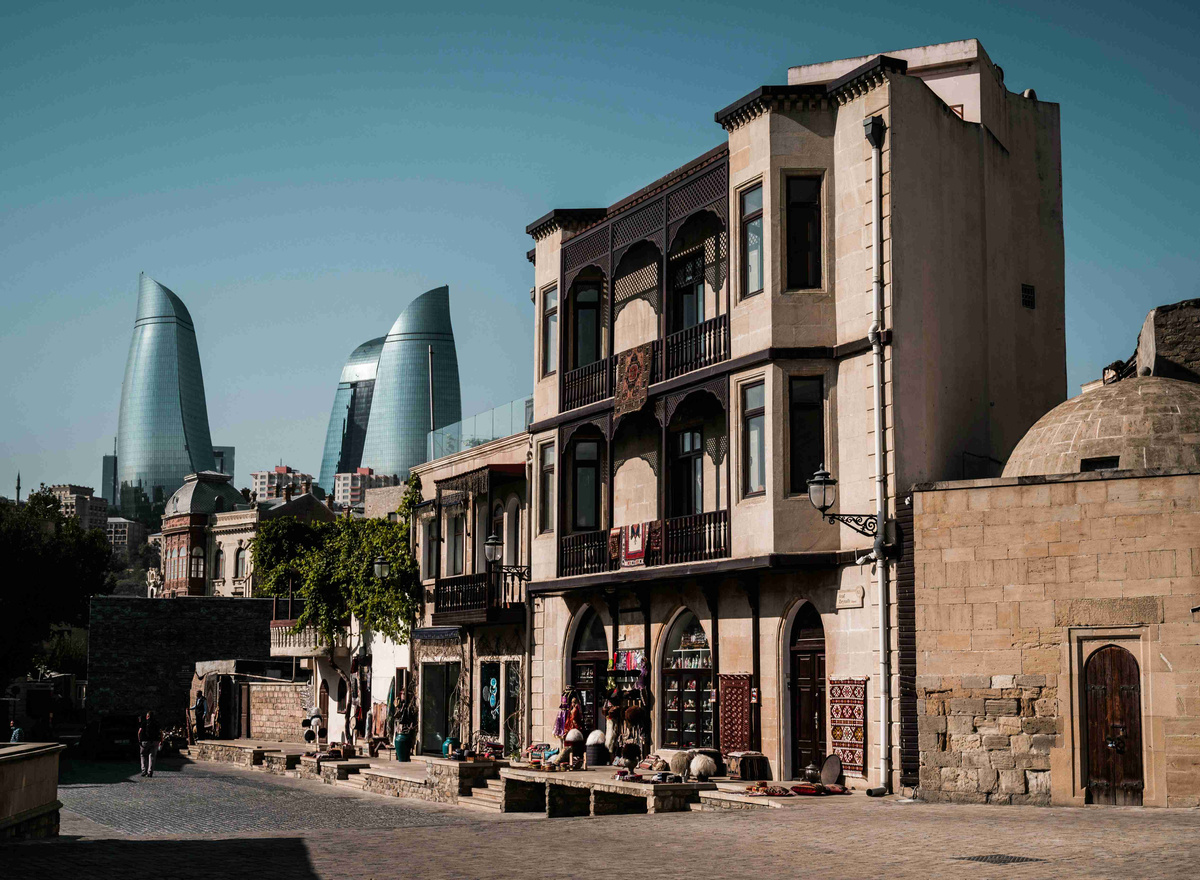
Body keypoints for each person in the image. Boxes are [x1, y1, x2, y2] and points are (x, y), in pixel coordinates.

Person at [138, 711, 162, 777]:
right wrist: (161, 741)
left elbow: (139, 732)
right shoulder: (156, 723)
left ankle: (144, 770)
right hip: (155, 741)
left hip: (145, 741)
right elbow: (160, 732)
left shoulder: (144, 723)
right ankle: (150, 772)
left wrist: (139, 740)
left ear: (147, 716)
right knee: (152, 757)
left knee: (143, 755)